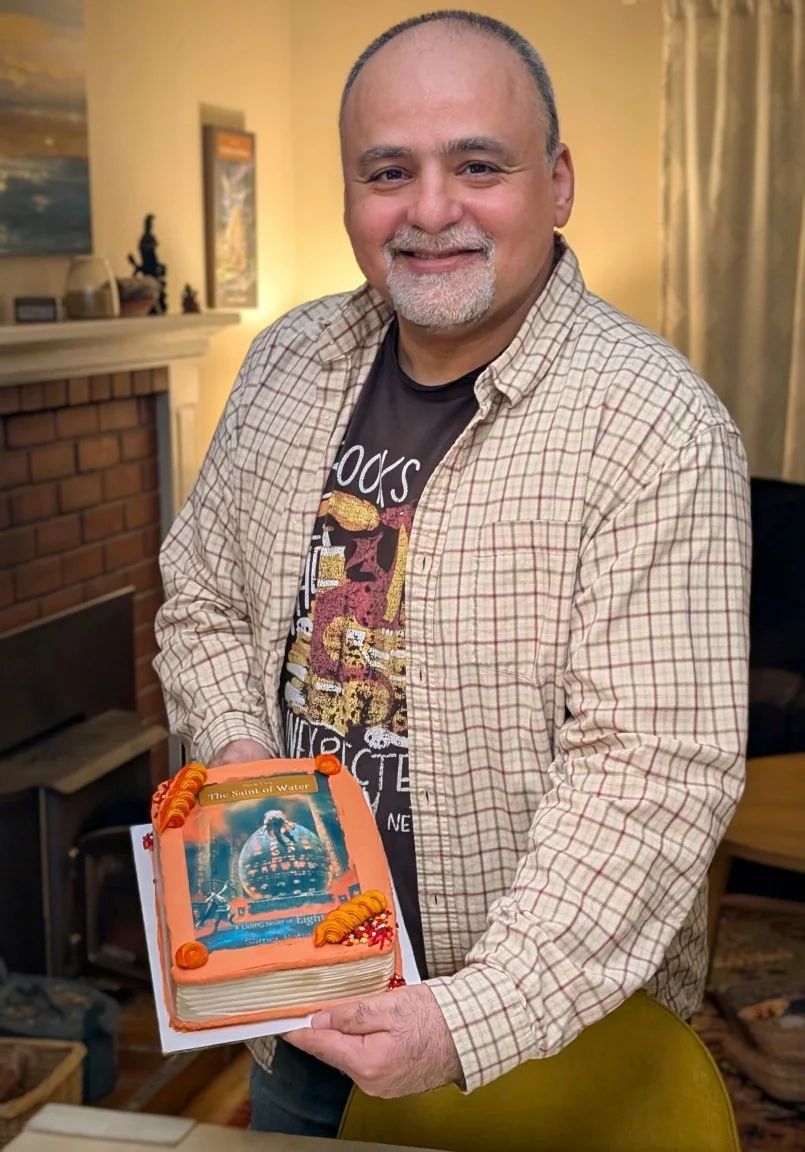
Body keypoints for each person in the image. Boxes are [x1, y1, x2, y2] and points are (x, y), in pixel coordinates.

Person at [154, 9, 751, 1139]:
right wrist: (240, 764)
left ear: (558, 182)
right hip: (293, 1005)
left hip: (547, 1046)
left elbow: (651, 774)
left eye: (478, 164)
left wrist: (464, 1019)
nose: (430, 209)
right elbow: (204, 602)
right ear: (348, 194)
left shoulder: (656, 424)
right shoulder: (286, 362)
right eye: (390, 171)